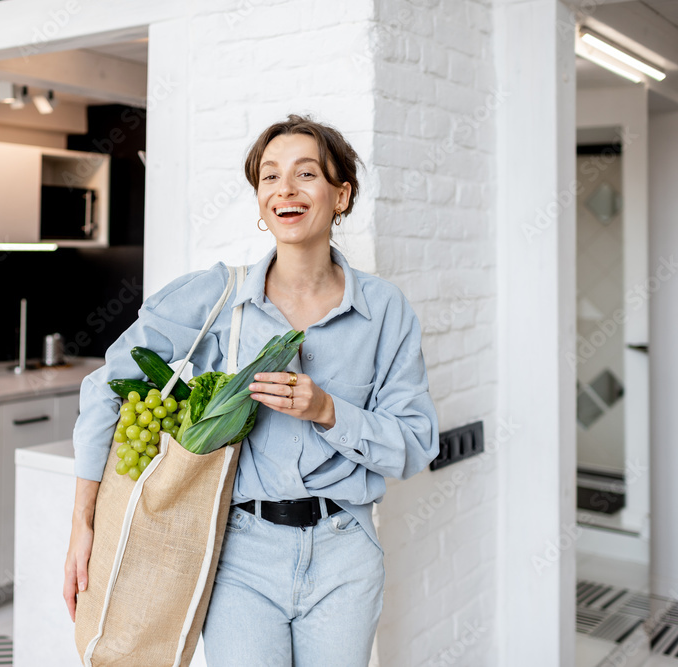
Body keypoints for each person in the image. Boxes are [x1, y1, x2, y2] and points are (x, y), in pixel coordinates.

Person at [63, 114, 439, 666]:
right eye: (269, 177)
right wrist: (82, 525)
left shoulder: (385, 311)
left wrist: (329, 410)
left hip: (345, 552)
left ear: (341, 194)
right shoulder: (218, 298)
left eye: (306, 173)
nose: (285, 189)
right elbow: (107, 386)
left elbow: (416, 446)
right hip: (239, 552)